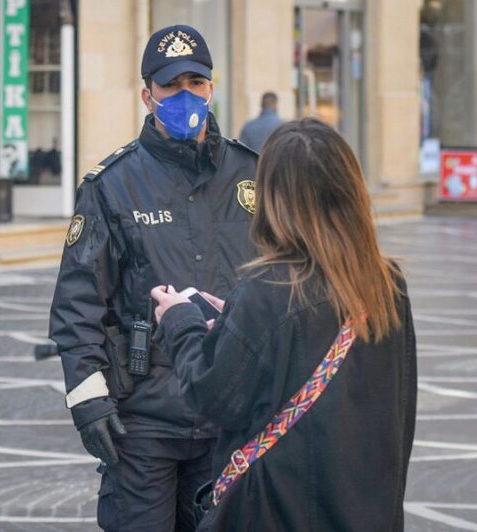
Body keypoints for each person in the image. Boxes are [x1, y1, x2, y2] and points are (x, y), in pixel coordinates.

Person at [151, 118, 417, 531]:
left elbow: (212, 395)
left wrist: (180, 320)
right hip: (368, 509)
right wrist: (234, 323)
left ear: (274, 198)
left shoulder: (271, 289)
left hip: (280, 513)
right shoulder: (387, 284)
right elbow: (399, 407)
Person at [49, 25, 259, 531]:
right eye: (171, 85)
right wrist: (90, 403)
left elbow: (280, 286)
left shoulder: (253, 173)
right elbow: (78, 306)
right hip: (142, 422)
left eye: (196, 82)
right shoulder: (112, 185)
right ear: (148, 95)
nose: (185, 95)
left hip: (229, 416)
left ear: (211, 88)